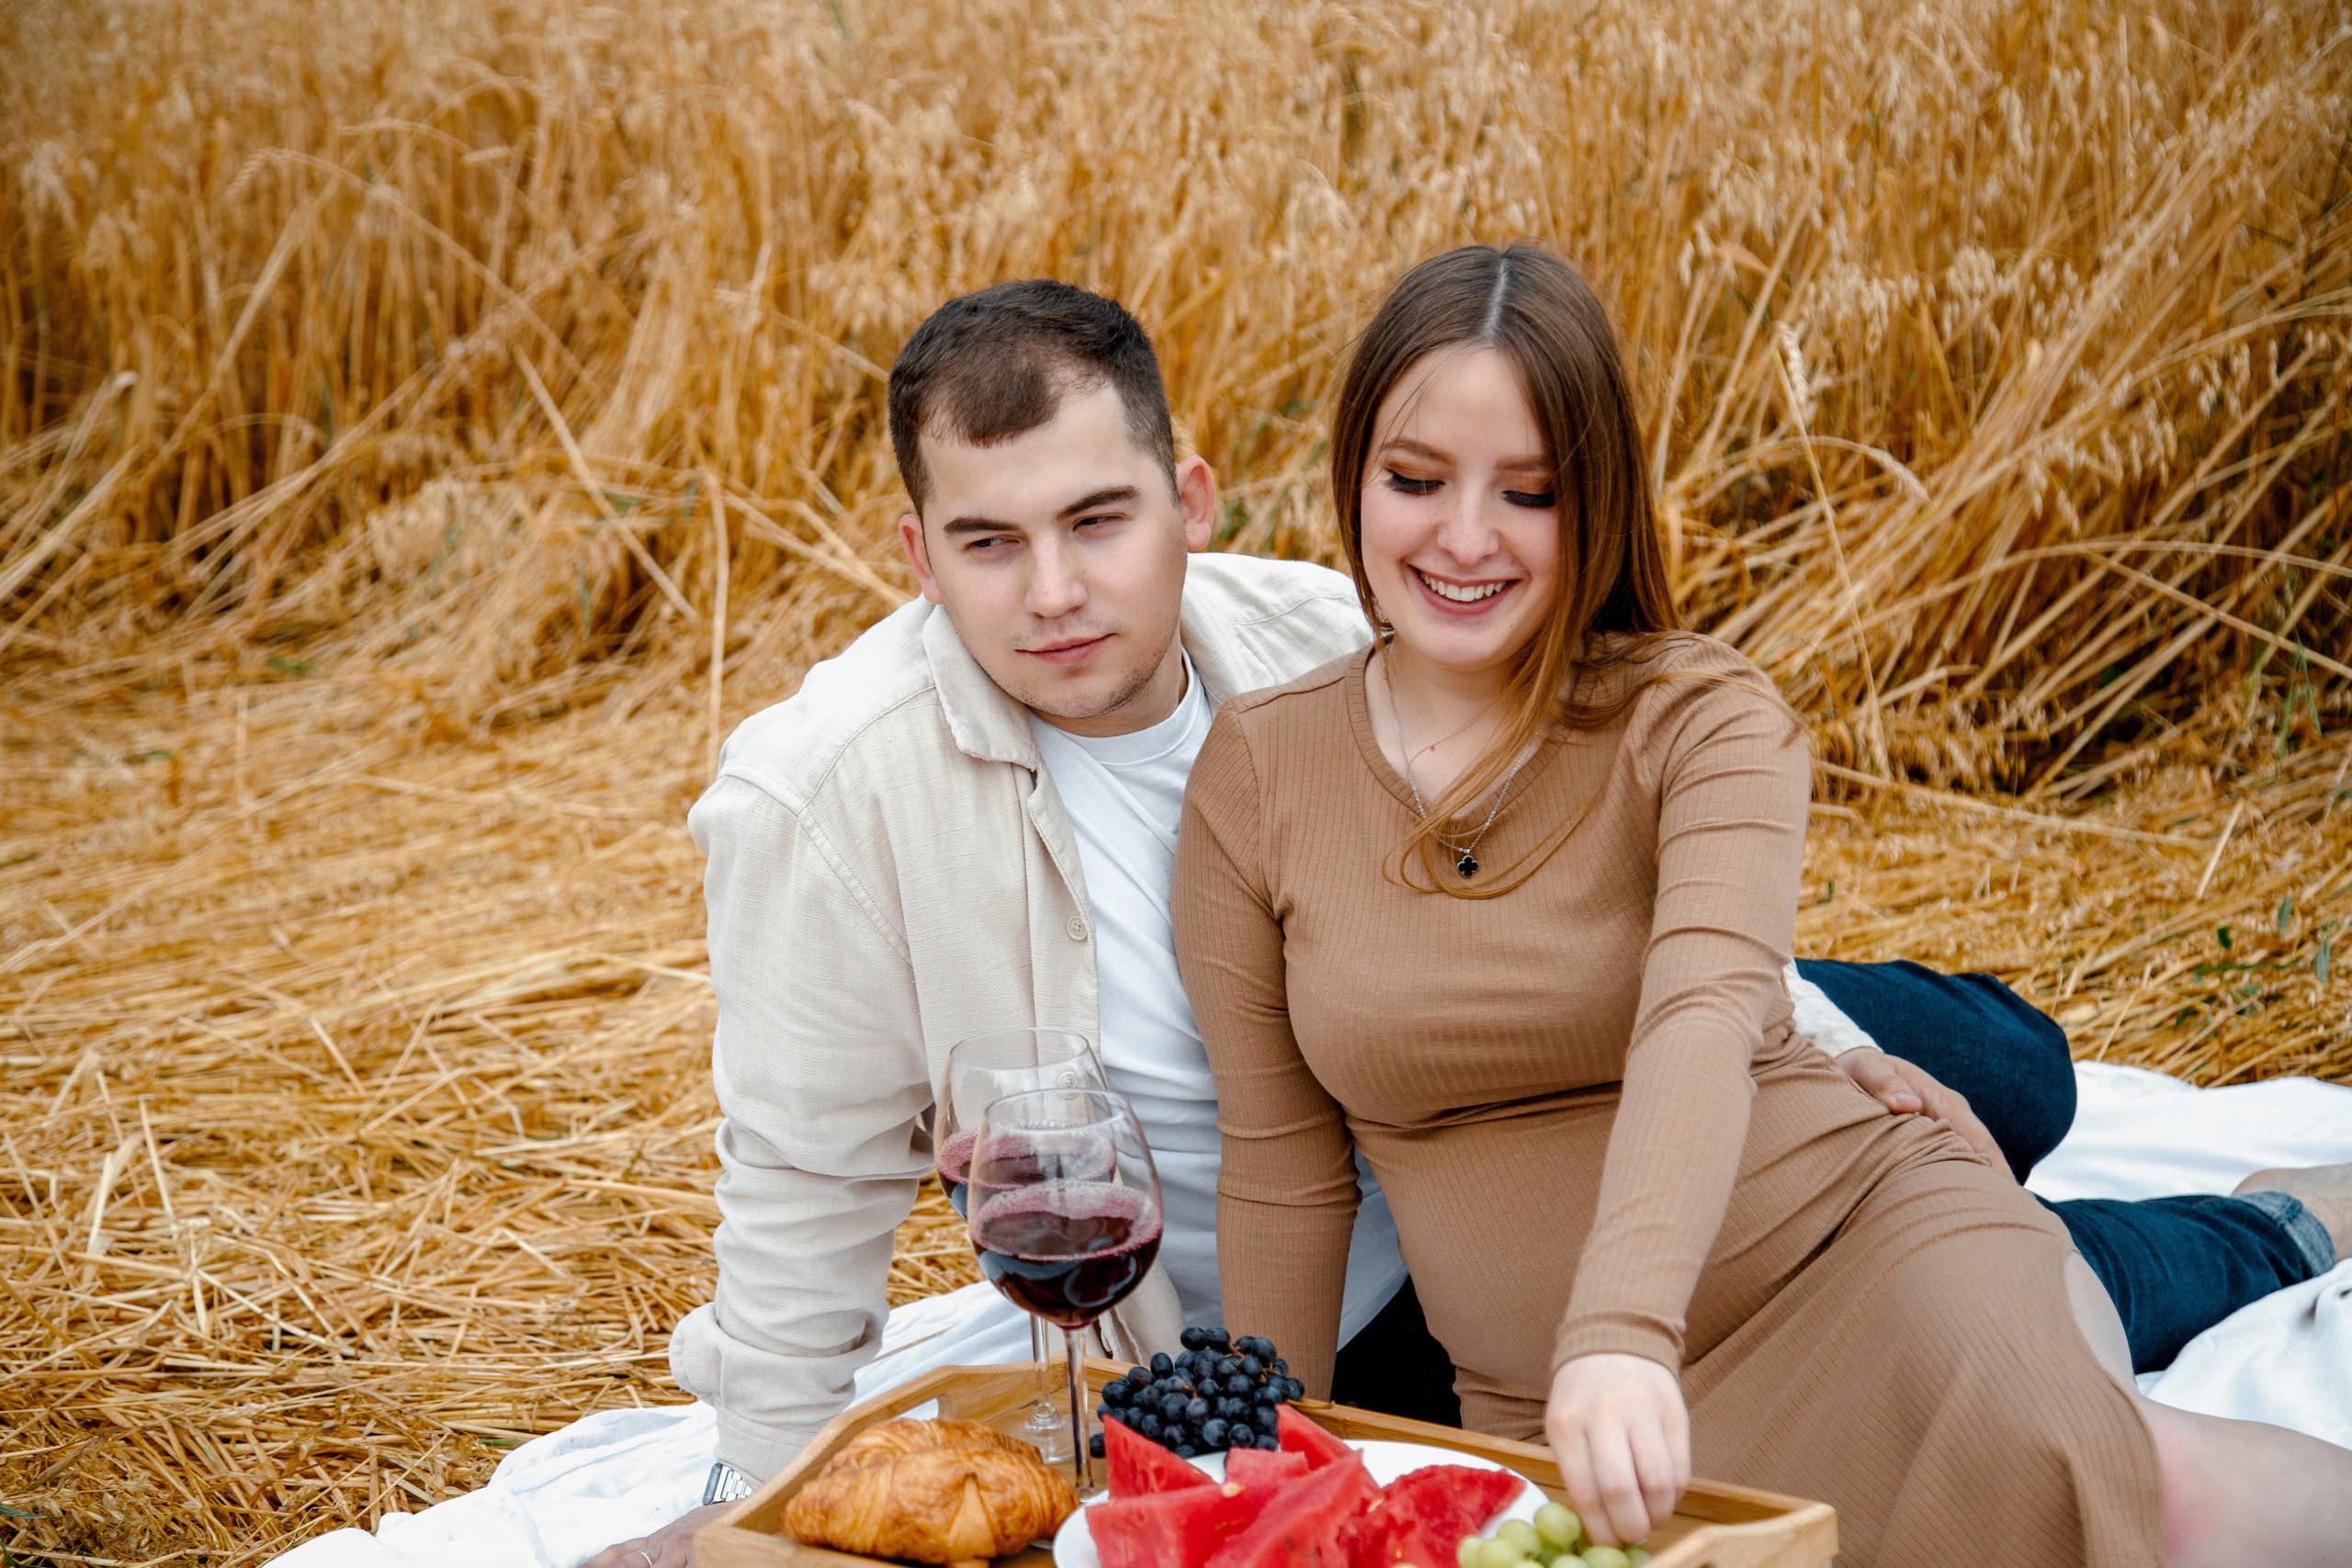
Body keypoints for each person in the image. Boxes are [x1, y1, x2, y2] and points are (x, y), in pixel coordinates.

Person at [583, 278, 2346, 1568]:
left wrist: (1799, 1068)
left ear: (1192, 506)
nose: (1054, 592)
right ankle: (2232, 1238)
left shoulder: (1318, 628)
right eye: (990, 543)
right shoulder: (836, 802)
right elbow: (810, 1197)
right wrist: (768, 1510)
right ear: (918, 552)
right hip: (1428, 1284)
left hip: (1701, 1084)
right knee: (1999, 1313)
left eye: (1100, 522)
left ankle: (2234, 1234)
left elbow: (1698, 1002)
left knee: (1998, 1077)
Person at [1170, 241, 2352, 1567]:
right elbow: (1281, 1165)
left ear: (1600, 502)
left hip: (1857, 1255)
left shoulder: (1702, 717)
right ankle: (2280, 1219)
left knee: (2128, 1491)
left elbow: (1702, 1013)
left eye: (1531, 492)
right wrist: (1266, 1470)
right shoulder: (1261, 770)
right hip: (1556, 1405)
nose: (1463, 537)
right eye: (1416, 480)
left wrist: (1624, 1337)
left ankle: (2284, 1227)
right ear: (1355, 478)